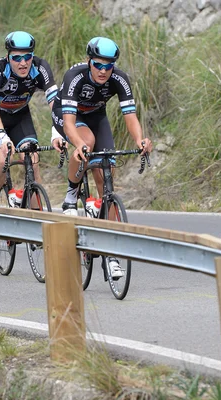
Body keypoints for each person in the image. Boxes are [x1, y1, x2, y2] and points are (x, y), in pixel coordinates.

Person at [52, 36, 152, 279]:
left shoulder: (119, 78)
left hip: (97, 116)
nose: (103, 71)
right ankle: (70, 196)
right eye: (98, 65)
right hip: (69, 117)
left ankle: (112, 257)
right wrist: (76, 144)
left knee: (106, 174)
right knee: (86, 144)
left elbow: (130, 117)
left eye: (109, 66)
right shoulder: (74, 76)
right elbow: (68, 123)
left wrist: (140, 140)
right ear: (89, 62)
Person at [0, 30, 64, 206]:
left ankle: (38, 221)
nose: (23, 63)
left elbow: (55, 104)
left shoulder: (41, 67)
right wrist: (1, 136)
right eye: (17, 58)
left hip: (20, 116)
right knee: (4, 159)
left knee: (33, 161)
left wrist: (58, 130)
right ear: (7, 57)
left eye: (27, 57)